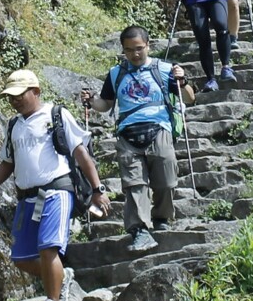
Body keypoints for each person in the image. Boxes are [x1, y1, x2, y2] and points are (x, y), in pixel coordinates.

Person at [0, 71, 109, 301]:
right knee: (20, 258)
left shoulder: (56, 115)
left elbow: (81, 153)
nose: (15, 101)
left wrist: (97, 190)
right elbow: (7, 164)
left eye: (20, 95)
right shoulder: (14, 125)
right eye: (11, 97)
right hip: (28, 198)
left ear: (36, 91)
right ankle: (62, 277)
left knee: (48, 247)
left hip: (57, 190)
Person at [82, 26, 195, 253]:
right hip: (127, 133)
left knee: (166, 178)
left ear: (148, 46)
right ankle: (139, 230)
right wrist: (92, 101)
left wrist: (182, 82)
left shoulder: (165, 69)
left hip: (159, 127)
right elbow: (106, 104)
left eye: (139, 49)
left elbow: (190, 98)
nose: (135, 54)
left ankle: (161, 217)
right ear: (123, 50)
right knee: (134, 184)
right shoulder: (116, 73)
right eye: (129, 50)